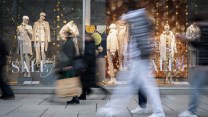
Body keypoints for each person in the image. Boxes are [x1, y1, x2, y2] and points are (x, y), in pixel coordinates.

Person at [96, 8, 165, 117]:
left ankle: (158, 111)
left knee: (140, 86)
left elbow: (141, 44)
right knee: (138, 85)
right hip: (138, 61)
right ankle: (116, 108)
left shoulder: (137, 19)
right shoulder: (138, 21)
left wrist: (136, 57)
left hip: (140, 61)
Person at [177, 15, 208, 117]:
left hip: (204, 66)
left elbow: (203, 46)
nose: (195, 25)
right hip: (203, 65)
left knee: (195, 87)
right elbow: (199, 45)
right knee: (196, 87)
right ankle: (191, 111)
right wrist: (186, 38)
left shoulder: (205, 30)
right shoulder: (204, 30)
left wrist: (204, 65)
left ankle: (191, 112)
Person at [67, 33, 110, 104]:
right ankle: (83, 95)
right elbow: (86, 56)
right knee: (84, 81)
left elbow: (88, 56)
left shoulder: (89, 45)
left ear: (89, 38)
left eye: (86, 37)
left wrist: (84, 66)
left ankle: (105, 92)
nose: (84, 38)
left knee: (92, 83)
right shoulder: (89, 44)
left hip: (88, 67)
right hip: (89, 67)